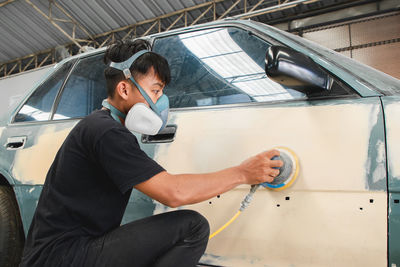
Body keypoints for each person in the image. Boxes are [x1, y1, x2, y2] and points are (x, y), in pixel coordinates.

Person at [20, 39, 283, 267]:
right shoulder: (106, 132)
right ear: (124, 88)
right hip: (62, 258)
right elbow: (174, 193)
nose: (160, 101)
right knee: (192, 227)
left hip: (67, 252)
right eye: (156, 91)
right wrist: (242, 173)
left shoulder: (100, 125)